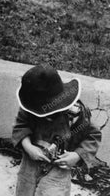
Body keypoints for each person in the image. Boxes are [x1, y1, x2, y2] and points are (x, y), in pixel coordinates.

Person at [12, 65, 102, 196]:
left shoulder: (76, 113)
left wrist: (76, 156)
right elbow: (21, 125)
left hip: (59, 167)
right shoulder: (30, 105)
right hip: (30, 162)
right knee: (24, 190)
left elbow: (93, 135)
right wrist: (28, 146)